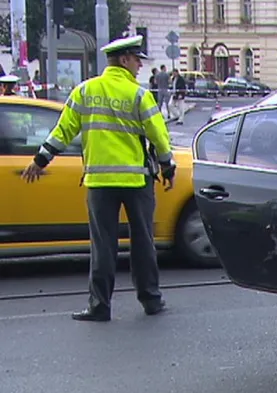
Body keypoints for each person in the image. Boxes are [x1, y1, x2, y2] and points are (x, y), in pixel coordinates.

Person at [19, 35, 177, 322]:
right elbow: (159, 136)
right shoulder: (139, 95)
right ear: (124, 60)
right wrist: (168, 168)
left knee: (102, 245)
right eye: (137, 59)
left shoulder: (84, 91)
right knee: (143, 241)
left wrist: (40, 160)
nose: (140, 65)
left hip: (99, 183)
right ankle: (151, 300)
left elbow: (63, 131)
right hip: (137, 182)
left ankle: (99, 306)